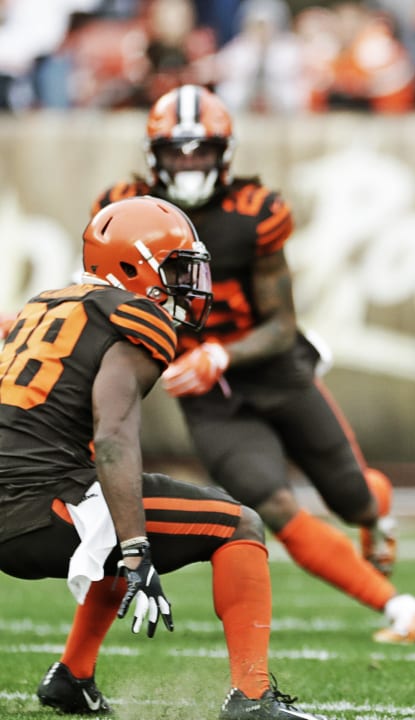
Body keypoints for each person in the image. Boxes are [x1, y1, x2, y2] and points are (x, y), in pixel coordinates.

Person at [90, 84, 415, 645]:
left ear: (224, 152)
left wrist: (219, 352)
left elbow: (281, 325)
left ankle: (375, 512)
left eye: (199, 149)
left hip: (272, 371)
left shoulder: (256, 211)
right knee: (272, 503)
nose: (187, 163)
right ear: (152, 154)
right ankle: (401, 609)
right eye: (175, 151)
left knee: (352, 497)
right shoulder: (125, 208)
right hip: (208, 397)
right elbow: (107, 300)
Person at [0, 196, 327, 719]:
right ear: (132, 266)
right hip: (43, 508)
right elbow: (113, 437)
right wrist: (135, 547)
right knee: (238, 523)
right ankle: (252, 698)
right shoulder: (134, 317)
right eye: (175, 267)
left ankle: (72, 677)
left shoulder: (46, 303)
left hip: (20, 498)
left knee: (113, 500)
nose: (187, 283)